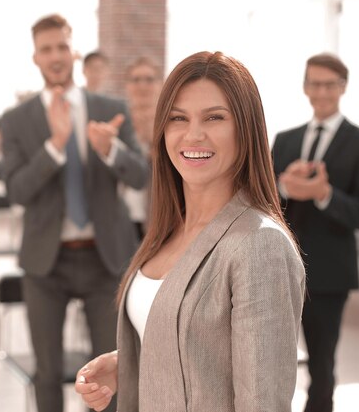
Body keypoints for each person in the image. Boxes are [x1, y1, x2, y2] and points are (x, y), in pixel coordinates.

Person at [75, 51, 306, 412]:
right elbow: (202, 343)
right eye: (178, 118)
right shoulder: (168, 231)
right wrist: (130, 364)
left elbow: (263, 403)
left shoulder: (260, 243)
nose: (193, 134)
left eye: (214, 118)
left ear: (246, 129)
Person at [0, 14, 148, 412]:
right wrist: (55, 145)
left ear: (75, 52)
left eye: (62, 47)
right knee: (47, 372)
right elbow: (16, 190)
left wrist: (109, 150)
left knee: (111, 371)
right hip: (45, 264)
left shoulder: (110, 108)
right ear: (35, 57)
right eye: (46, 49)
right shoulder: (17, 119)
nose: (55, 56)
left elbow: (142, 175)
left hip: (106, 260)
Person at [272, 53, 359, 412]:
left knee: (321, 366)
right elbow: (262, 201)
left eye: (329, 84)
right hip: (279, 269)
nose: (321, 91)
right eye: (314, 83)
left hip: (330, 274)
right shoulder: (285, 141)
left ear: (343, 88)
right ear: (304, 87)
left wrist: (324, 194)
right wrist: (284, 187)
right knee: (271, 361)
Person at [122, 56, 163, 239]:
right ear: (127, 86)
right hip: (120, 218)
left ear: (160, 83)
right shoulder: (117, 122)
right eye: (136, 80)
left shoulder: (171, 123)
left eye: (149, 79)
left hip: (157, 217)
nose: (142, 85)